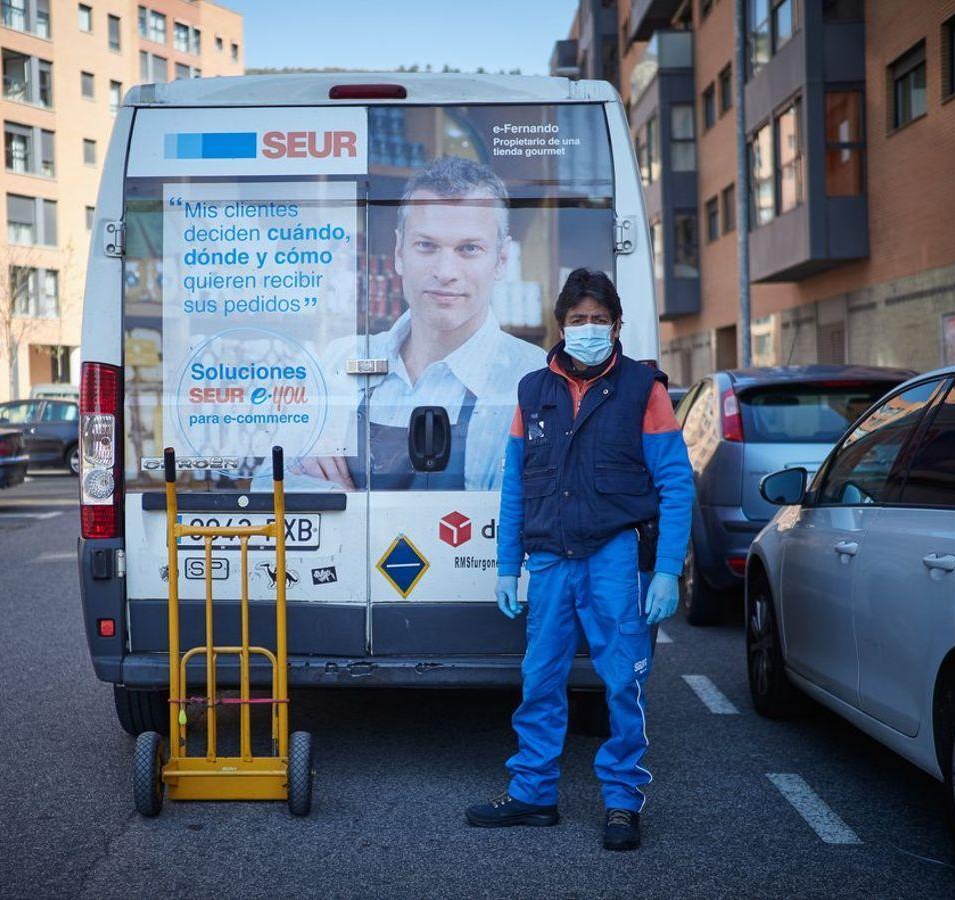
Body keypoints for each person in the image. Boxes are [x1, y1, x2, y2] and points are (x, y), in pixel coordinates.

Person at [464, 268, 694, 851]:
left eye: (598, 320)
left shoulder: (645, 388)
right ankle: (534, 793)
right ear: (561, 327)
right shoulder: (532, 390)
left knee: (623, 684)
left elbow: (675, 483)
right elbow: (516, 485)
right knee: (540, 679)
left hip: (615, 556)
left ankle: (622, 802)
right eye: (576, 320)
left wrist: (667, 568)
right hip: (548, 561)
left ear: (617, 325)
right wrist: (505, 564)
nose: (588, 329)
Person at [295, 156, 545, 491]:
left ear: (500, 260)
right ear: (399, 252)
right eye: (426, 246)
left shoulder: (537, 381)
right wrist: (317, 484)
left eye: (469, 248)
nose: (445, 272)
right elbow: (267, 485)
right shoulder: (337, 363)